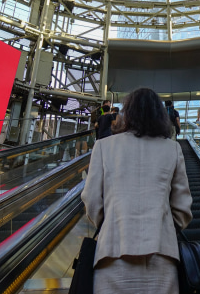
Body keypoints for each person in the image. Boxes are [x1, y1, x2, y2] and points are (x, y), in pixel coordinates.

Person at [81, 88, 193, 293]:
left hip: (111, 256)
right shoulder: (172, 149)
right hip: (162, 255)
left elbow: (91, 199)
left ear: (127, 113)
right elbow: (182, 207)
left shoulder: (103, 146)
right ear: (160, 115)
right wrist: (166, 228)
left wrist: (110, 224)